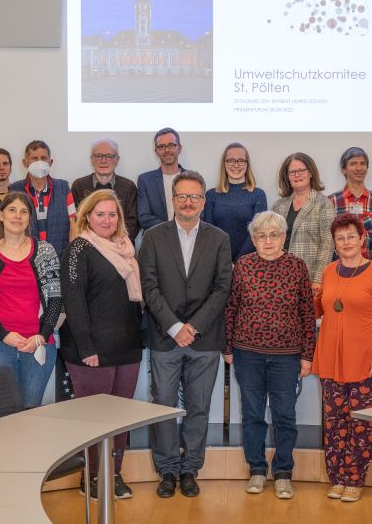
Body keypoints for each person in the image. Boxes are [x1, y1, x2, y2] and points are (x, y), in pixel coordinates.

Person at [139, 171, 232, 499]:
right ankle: (166, 469)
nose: (188, 201)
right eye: (182, 196)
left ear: (204, 201)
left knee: (198, 406)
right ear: (173, 200)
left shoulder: (219, 238)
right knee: (163, 404)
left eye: (195, 196)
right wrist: (175, 327)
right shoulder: (153, 237)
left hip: (204, 338)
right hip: (165, 337)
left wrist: (193, 327)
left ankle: (190, 467)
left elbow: (223, 288)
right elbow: (148, 287)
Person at [224, 211, 315, 500]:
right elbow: (231, 308)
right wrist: (227, 347)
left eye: (273, 235)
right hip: (247, 353)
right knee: (252, 414)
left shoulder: (297, 267)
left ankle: (284, 472)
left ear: (283, 237)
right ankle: (257, 470)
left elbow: (307, 313)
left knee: (285, 415)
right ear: (253, 239)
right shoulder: (243, 266)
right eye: (261, 236)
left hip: (287, 356)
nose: (267, 241)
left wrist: (307, 355)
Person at [60, 189, 144, 501]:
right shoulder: (78, 249)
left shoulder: (125, 249)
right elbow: (74, 301)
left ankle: (114, 471)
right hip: (91, 351)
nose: (106, 220)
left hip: (127, 346)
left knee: (121, 418)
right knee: (96, 419)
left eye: (112, 214)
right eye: (100, 214)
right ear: (87, 217)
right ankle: (92, 476)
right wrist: (86, 349)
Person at [313, 213, 372, 503]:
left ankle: (355, 479)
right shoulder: (329, 271)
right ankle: (336, 478)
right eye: (340, 238)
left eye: (351, 236)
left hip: (366, 361)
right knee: (334, 422)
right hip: (331, 359)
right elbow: (319, 310)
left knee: (360, 424)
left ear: (362, 239)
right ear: (334, 243)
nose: (346, 242)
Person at [0, 192, 60, 407]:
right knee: (2, 415)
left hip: (38, 345)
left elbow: (55, 299)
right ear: (0, 215)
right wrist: (5, 335)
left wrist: (41, 336)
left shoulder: (45, 251)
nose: (17, 216)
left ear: (30, 217)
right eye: (12, 210)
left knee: (31, 412)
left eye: (23, 211)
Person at [272, 153, 335, 295]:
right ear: (287, 176)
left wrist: (318, 279)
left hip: (309, 277)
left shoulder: (324, 203)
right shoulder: (278, 206)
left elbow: (327, 243)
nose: (297, 175)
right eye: (292, 172)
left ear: (311, 173)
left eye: (301, 170)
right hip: (280, 276)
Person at [9, 140, 77, 256]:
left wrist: (72, 257)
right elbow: (10, 227)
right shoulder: (15, 189)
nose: (39, 162)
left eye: (43, 158)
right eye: (34, 158)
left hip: (59, 258)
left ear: (50, 162)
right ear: (25, 163)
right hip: (26, 259)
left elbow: (73, 226)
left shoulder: (64, 188)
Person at [202, 142, 267, 261]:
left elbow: (258, 232)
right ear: (224, 164)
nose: (236, 165)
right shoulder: (211, 195)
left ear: (247, 164)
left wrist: (239, 262)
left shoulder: (258, 195)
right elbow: (209, 232)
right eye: (231, 160)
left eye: (241, 160)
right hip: (218, 260)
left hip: (249, 262)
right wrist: (225, 262)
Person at [70, 137, 140, 242]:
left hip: (120, 248)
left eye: (109, 156)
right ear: (92, 159)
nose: (103, 160)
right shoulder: (79, 185)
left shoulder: (129, 186)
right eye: (98, 156)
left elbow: (132, 223)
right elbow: (77, 222)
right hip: (88, 247)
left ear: (117, 160)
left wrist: (113, 244)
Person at [328, 147, 372, 263]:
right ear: (343, 170)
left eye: (362, 164)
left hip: (370, 271)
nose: (359, 168)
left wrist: (369, 266)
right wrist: (343, 265)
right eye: (353, 163)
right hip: (340, 270)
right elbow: (328, 240)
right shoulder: (331, 201)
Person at [137, 127, 187, 232]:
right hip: (156, 240)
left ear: (179, 148)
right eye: (161, 146)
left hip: (187, 237)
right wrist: (172, 229)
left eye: (171, 145)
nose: (167, 150)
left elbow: (199, 214)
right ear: (156, 151)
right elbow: (144, 218)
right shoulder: (145, 180)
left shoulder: (193, 179)